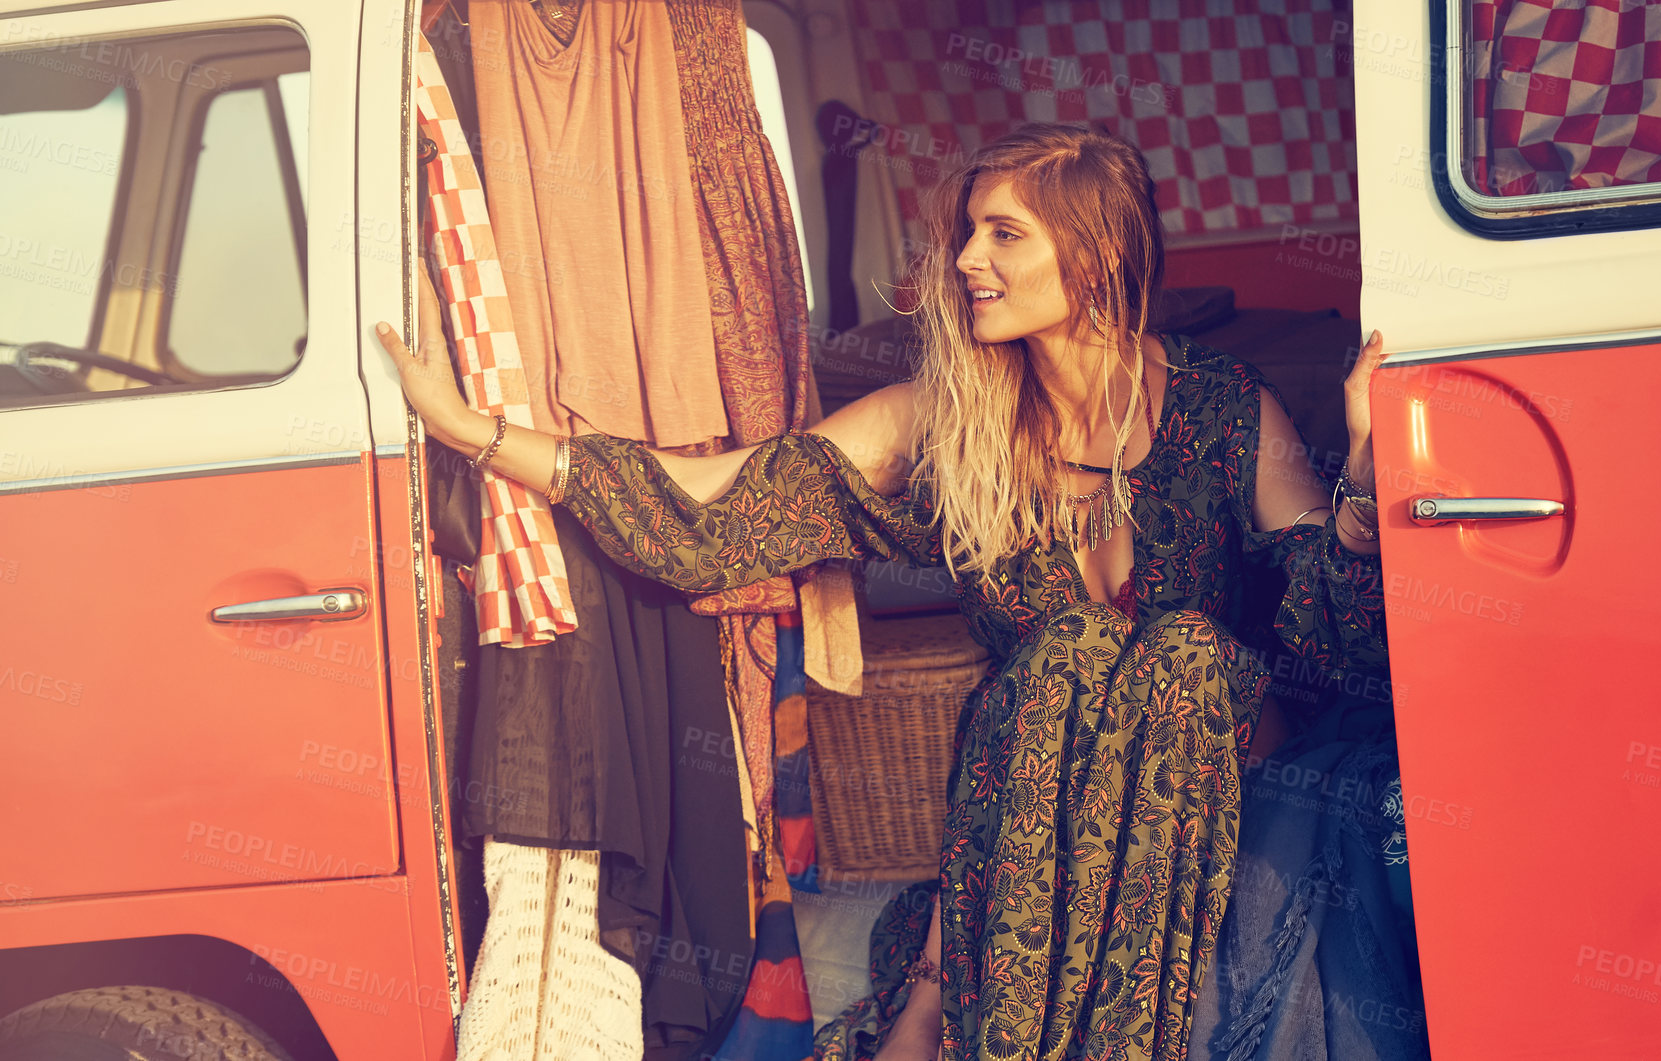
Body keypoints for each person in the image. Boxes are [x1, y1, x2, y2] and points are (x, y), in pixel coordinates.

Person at [377, 122, 1390, 1061]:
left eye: (1002, 234)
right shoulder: (946, 421)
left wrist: (1355, 473)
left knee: (1169, 656)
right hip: (1038, 791)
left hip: (1219, 780)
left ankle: (945, 1001)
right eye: (966, 234)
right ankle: (948, 993)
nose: (963, 261)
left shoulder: (1223, 404)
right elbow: (713, 501)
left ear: (1095, 257)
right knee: (1057, 663)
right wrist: (474, 431)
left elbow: (1322, 640)